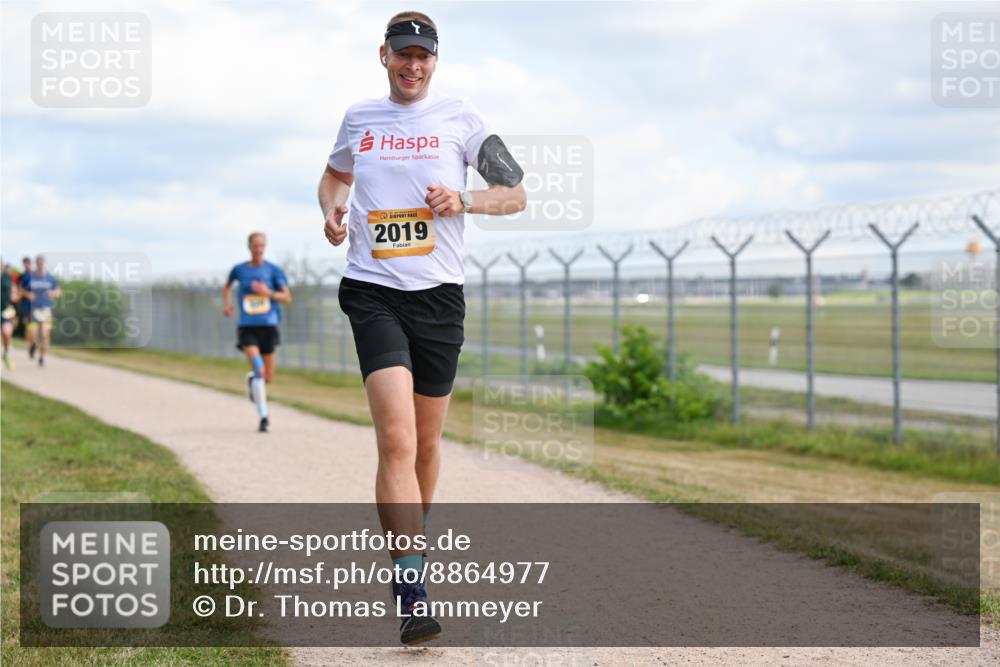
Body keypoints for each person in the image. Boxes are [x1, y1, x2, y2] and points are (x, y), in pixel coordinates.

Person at [318, 10, 526, 646]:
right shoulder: (360, 118)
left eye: (424, 56)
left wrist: (466, 199)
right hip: (374, 292)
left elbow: (514, 193)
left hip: (439, 298)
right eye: (403, 54)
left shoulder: (461, 118)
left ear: (435, 61)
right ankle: (412, 588)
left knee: (428, 446)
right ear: (383, 55)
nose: (413, 65)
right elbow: (335, 177)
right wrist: (331, 208)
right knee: (398, 440)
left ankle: (412, 539)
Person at [223, 232, 292, 433]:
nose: (259, 249)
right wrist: (227, 305)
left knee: (267, 377)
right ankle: (264, 417)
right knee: (259, 369)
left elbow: (287, 298)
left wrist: (267, 292)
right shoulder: (239, 270)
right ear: (249, 247)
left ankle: (252, 381)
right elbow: (227, 287)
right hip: (247, 326)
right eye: (255, 245)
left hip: (269, 326)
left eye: (262, 246)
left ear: (265, 247)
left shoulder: (273, 271)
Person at [23, 255, 61, 367]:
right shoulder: (29, 277)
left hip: (45, 309)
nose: (40, 264)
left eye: (42, 262)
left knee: (44, 334)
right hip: (32, 309)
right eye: (38, 262)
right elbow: (21, 289)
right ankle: (32, 346)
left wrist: (53, 293)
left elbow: (58, 291)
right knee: (33, 334)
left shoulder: (51, 278)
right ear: (36, 264)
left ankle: (42, 357)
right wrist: (27, 294)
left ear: (44, 263)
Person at [1, 262, 20, 369]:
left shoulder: (7, 280)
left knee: (7, 333)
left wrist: (16, 314)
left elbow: (14, 295)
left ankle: (6, 353)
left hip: (6, 312)